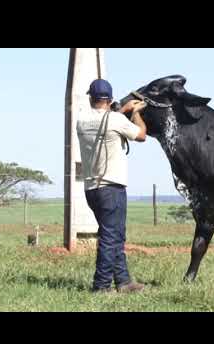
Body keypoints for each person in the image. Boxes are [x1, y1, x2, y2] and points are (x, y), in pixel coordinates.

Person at [77, 78, 147, 293]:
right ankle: (101, 286)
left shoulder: (81, 120)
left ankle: (124, 282)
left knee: (114, 234)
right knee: (110, 237)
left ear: (91, 97)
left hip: (91, 189)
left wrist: (120, 109)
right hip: (111, 187)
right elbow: (141, 135)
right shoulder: (117, 120)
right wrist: (135, 113)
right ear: (110, 99)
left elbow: (104, 117)